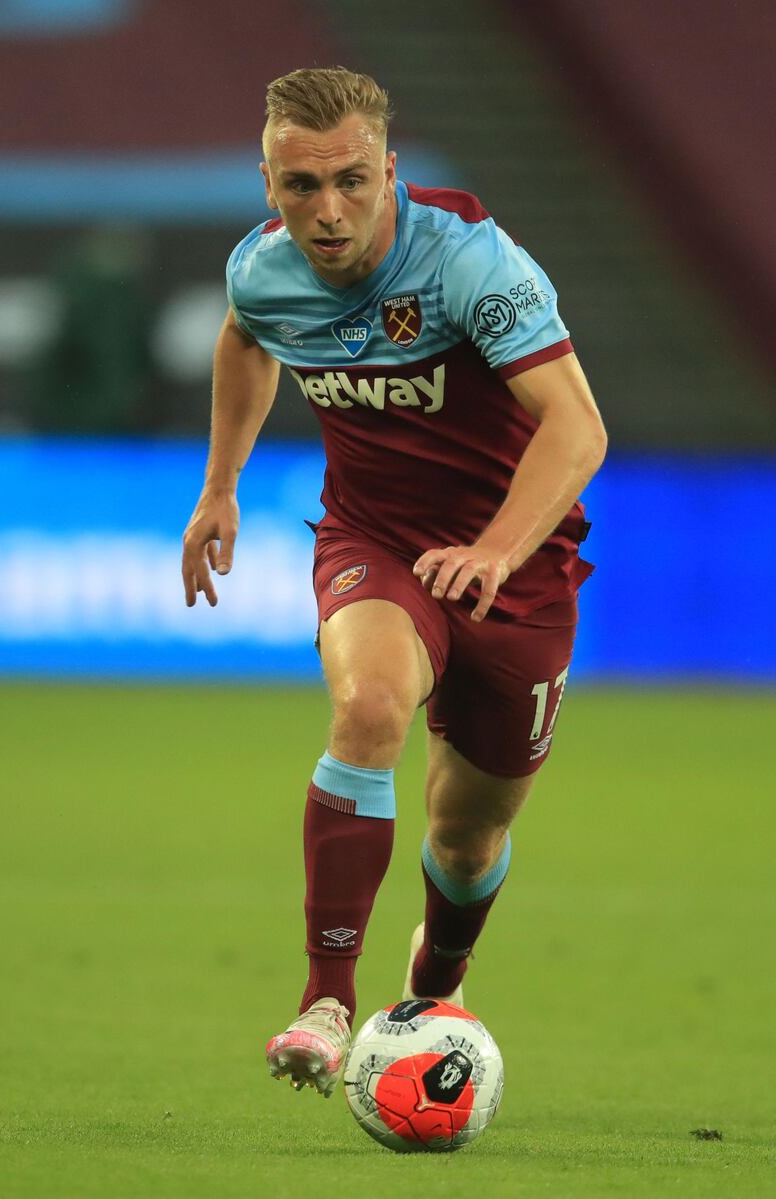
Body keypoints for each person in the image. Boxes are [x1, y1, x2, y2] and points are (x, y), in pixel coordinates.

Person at [181, 67, 607, 1099]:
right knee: (367, 705)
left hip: (516, 567)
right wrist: (220, 486)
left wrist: (497, 550)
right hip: (374, 539)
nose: (326, 211)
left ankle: (432, 985)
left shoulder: (470, 263)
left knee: (466, 837)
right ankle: (326, 999)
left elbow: (576, 426)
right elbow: (246, 339)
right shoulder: (262, 270)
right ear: (267, 180)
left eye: (350, 181)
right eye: (298, 185)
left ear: (390, 171)